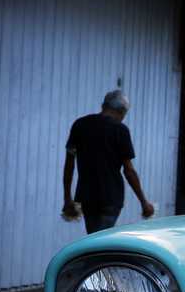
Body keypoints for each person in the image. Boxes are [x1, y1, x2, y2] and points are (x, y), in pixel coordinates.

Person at [62, 90, 155, 234]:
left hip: (86, 197)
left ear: (103, 105)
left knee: (93, 237)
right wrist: (144, 202)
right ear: (122, 111)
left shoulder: (80, 125)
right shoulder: (120, 130)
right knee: (98, 241)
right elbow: (129, 171)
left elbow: (69, 164)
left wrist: (67, 198)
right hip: (110, 199)